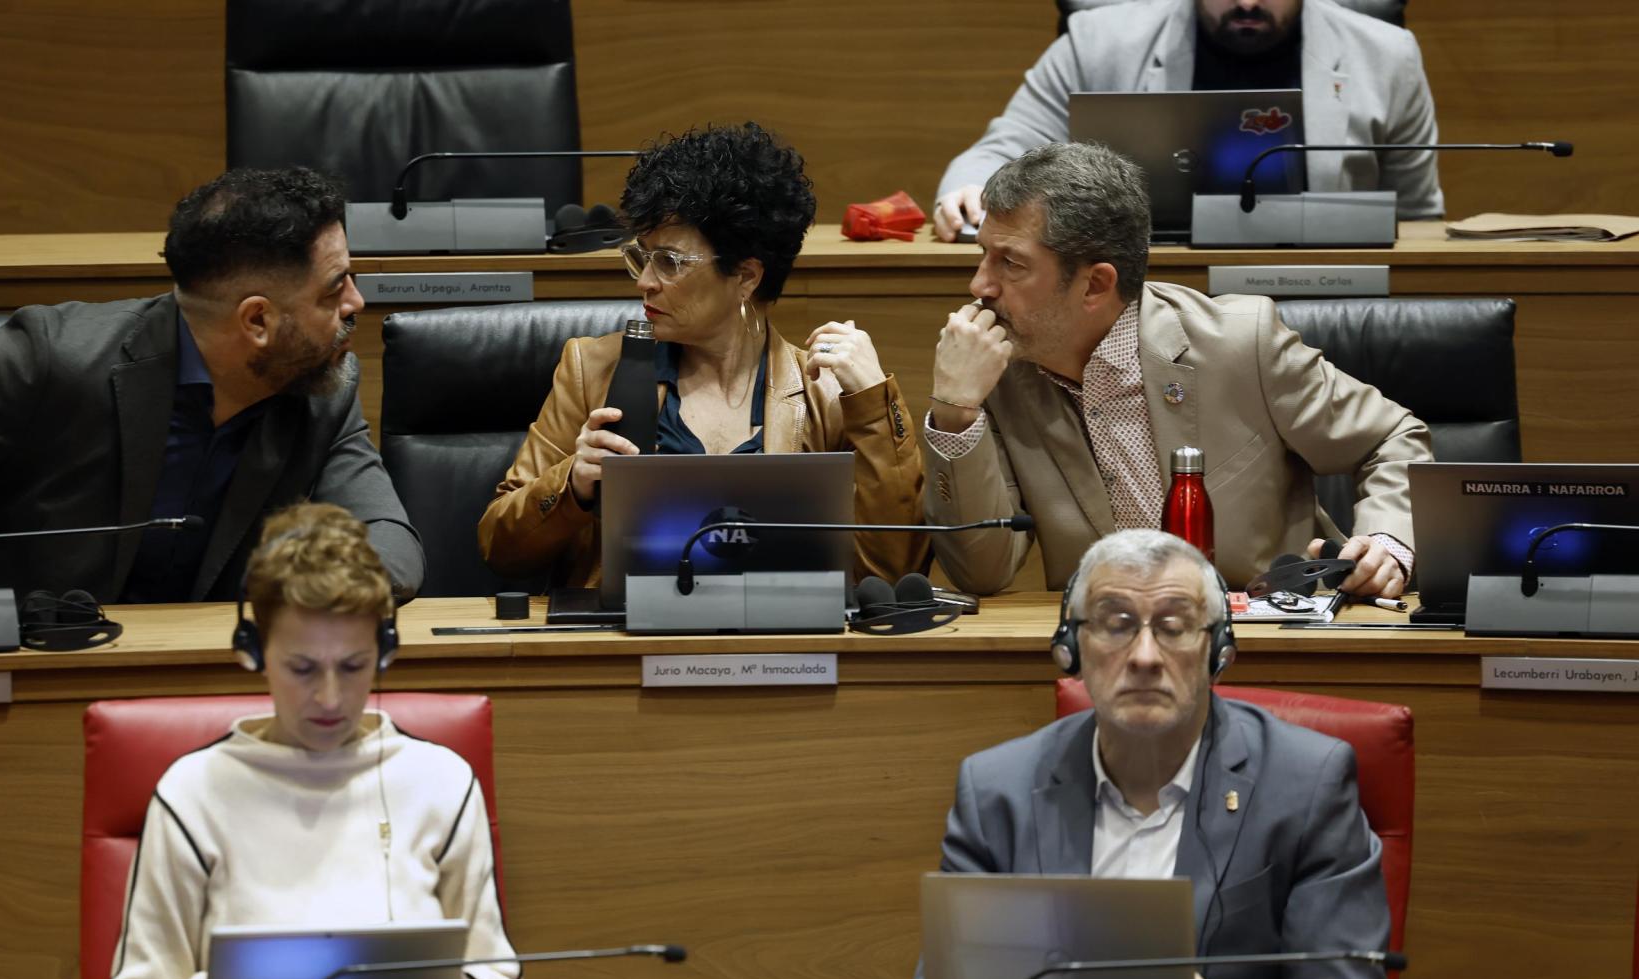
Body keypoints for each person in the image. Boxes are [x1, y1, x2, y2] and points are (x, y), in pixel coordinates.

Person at [0, 167, 422, 604]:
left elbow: (392, 545)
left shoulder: (321, 391)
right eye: (335, 288)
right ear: (257, 321)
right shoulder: (54, 356)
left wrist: (325, 592)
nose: (358, 302)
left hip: (190, 677)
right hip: (2, 671)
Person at [906, 529, 1392, 979]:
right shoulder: (995, 792)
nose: (1143, 656)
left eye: (1175, 626)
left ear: (1218, 652)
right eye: (1115, 625)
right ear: (1070, 649)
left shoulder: (1306, 784)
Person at [921, 141, 1430, 596]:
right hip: (1110, 644)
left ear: (1096, 284)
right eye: (984, 255)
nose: (980, 286)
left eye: (1010, 263)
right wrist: (955, 412)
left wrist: (1388, 539)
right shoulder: (999, 371)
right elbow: (981, 572)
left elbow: (1392, 437)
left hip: (1268, 628)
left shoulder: (1239, 342)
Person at [100, 502, 518, 979]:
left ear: (385, 652)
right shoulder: (194, 792)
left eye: (353, 666)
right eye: (301, 668)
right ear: (253, 651)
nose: (329, 697)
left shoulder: (442, 782)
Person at [477, 123, 925, 587]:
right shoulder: (591, 370)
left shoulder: (825, 393)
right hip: (627, 648)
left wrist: (873, 406)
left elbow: (892, 574)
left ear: (746, 277)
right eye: (642, 256)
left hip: (780, 651)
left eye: (669, 262)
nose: (644, 282)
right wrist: (572, 485)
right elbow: (499, 547)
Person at [931, 0, 1444, 240]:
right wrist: (972, 186)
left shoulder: (1387, 55)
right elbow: (1005, 146)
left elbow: (1418, 219)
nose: (1247, 1)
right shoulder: (1097, 42)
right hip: (1148, 295)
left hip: (1328, 296)